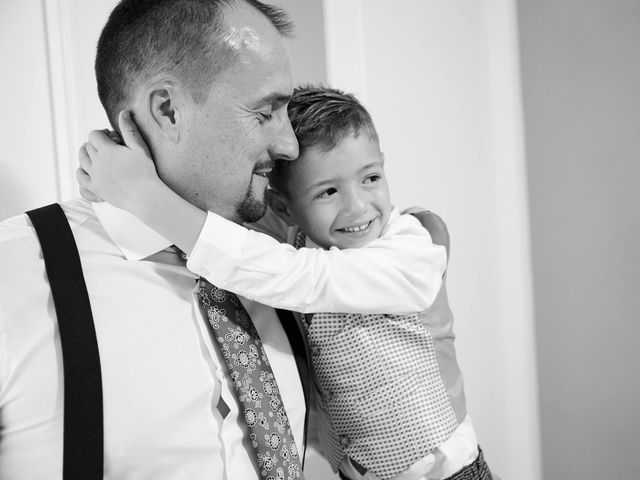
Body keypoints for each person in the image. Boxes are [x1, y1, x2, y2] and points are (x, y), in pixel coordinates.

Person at [77, 86, 494, 480]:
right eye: (328, 191)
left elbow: (291, 275)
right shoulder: (296, 233)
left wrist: (144, 197)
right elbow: (228, 220)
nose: (358, 205)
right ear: (284, 206)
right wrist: (122, 181)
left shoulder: (411, 250)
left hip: (445, 472)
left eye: (371, 177)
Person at [0, 1, 308, 478]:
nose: (289, 144)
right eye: (266, 111)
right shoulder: (11, 275)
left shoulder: (287, 261)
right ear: (167, 110)